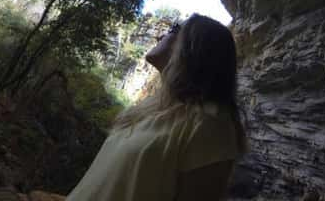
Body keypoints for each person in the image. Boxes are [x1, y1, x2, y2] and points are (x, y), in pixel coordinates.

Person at [66, 13, 247, 201]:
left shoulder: (211, 124)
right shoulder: (154, 104)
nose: (162, 35)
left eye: (174, 29)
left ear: (194, 48)